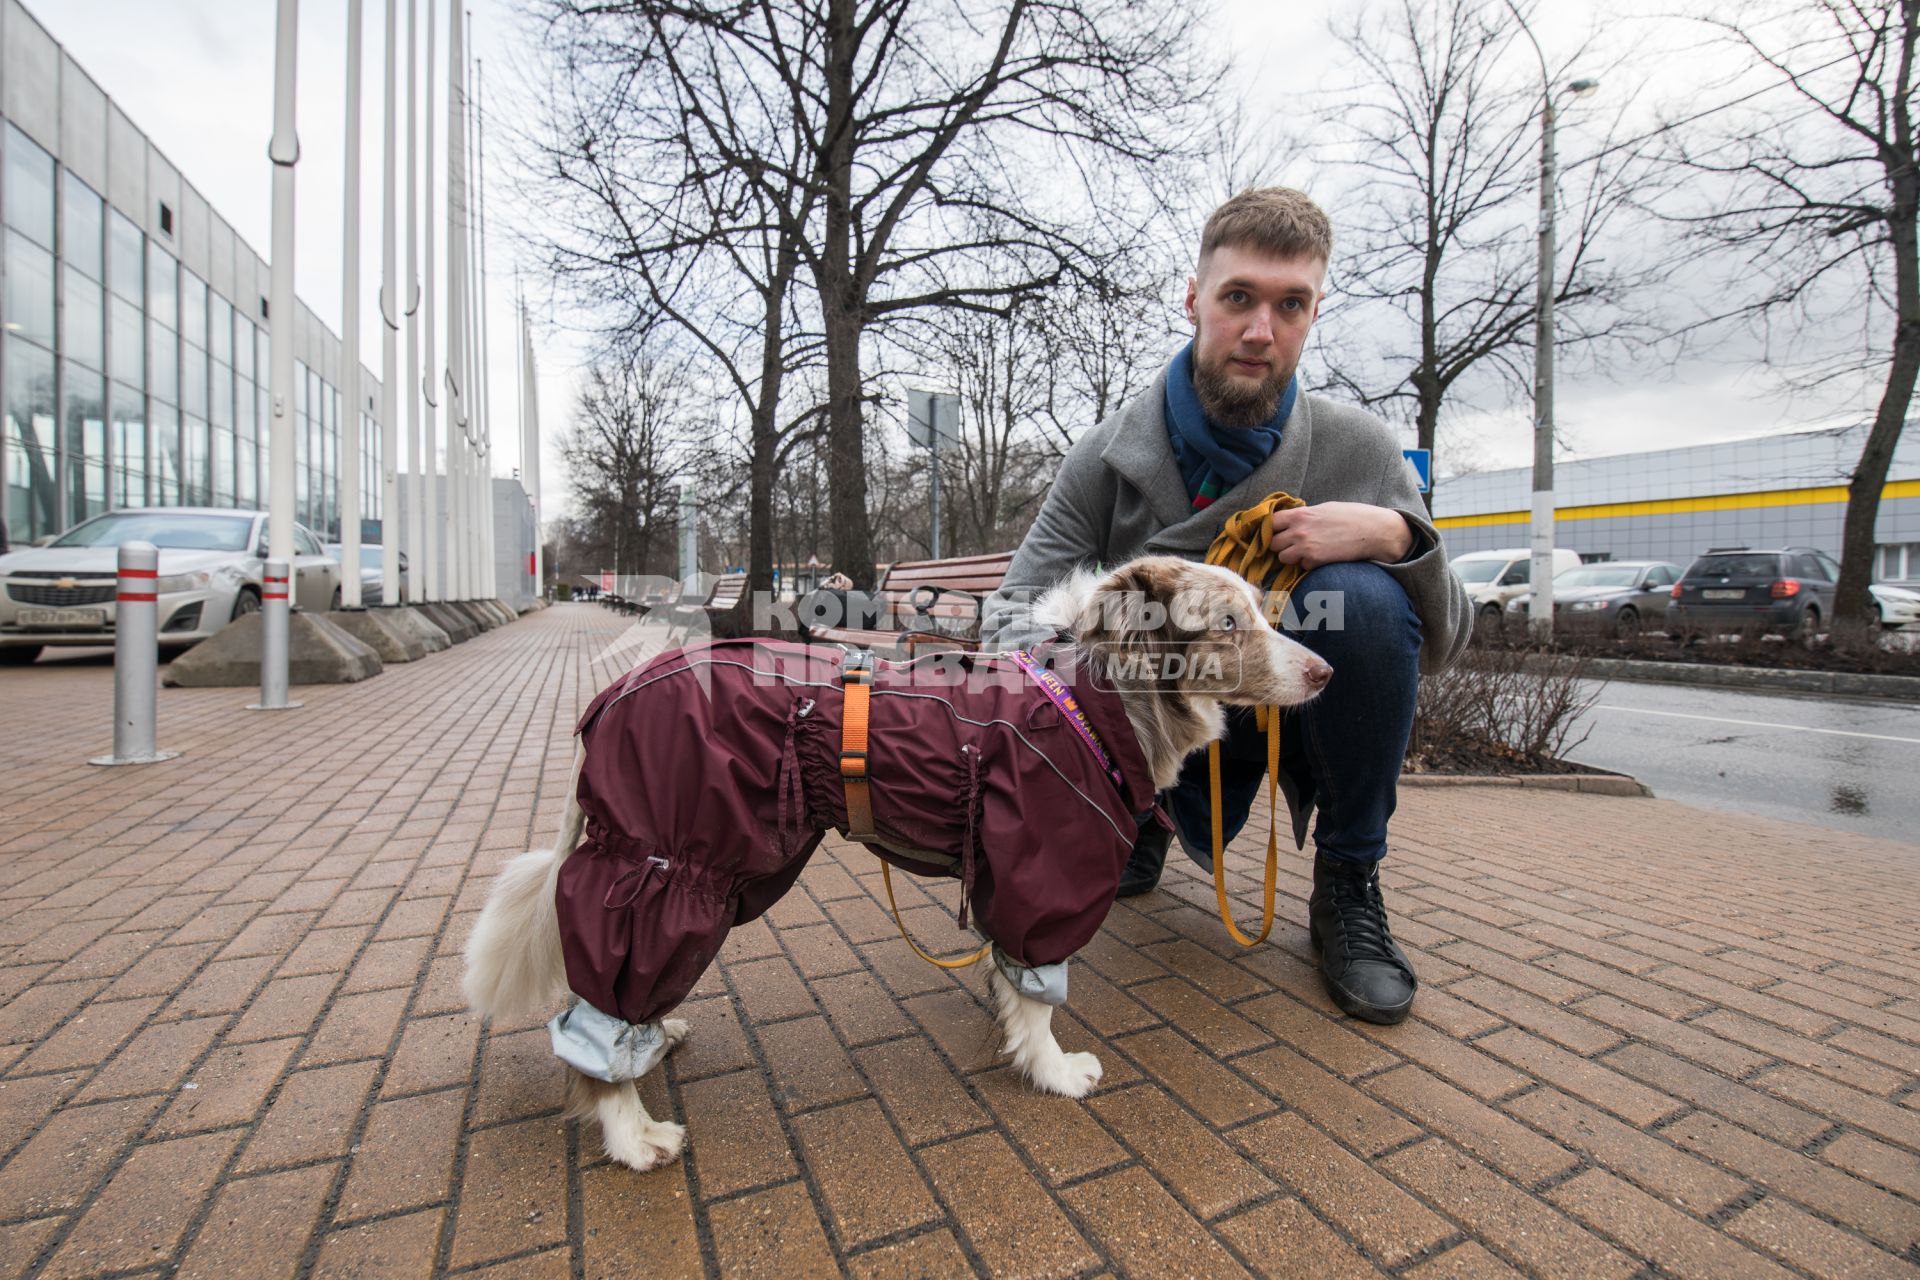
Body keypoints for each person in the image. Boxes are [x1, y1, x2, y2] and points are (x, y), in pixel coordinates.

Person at [981, 188, 1471, 1025]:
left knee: (1365, 603)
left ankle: (1349, 883)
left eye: (1291, 305)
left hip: (1299, 708)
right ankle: (1138, 808)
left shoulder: (1355, 445)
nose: (1259, 330)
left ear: (1315, 312)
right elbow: (1012, 614)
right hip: (1161, 722)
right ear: (1194, 299)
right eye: (1237, 297)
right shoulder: (1108, 452)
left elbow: (1449, 636)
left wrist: (1395, 536)